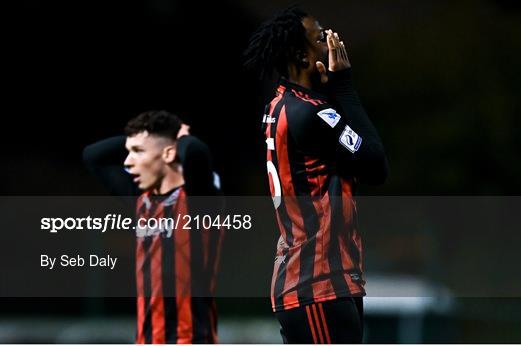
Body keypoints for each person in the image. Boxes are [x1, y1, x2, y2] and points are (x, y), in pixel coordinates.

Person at [244, 7, 388, 343]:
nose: (332, 41)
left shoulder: (279, 106)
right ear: (301, 55)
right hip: (318, 283)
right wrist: (344, 85)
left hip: (318, 282)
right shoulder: (311, 113)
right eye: (320, 37)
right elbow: (376, 165)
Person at [83, 110, 222, 343]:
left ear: (169, 153)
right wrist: (144, 139)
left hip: (191, 339)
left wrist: (178, 138)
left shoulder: (198, 199)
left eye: (137, 152)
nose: (127, 161)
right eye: (128, 152)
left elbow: (197, 153)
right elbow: (93, 156)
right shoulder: (141, 200)